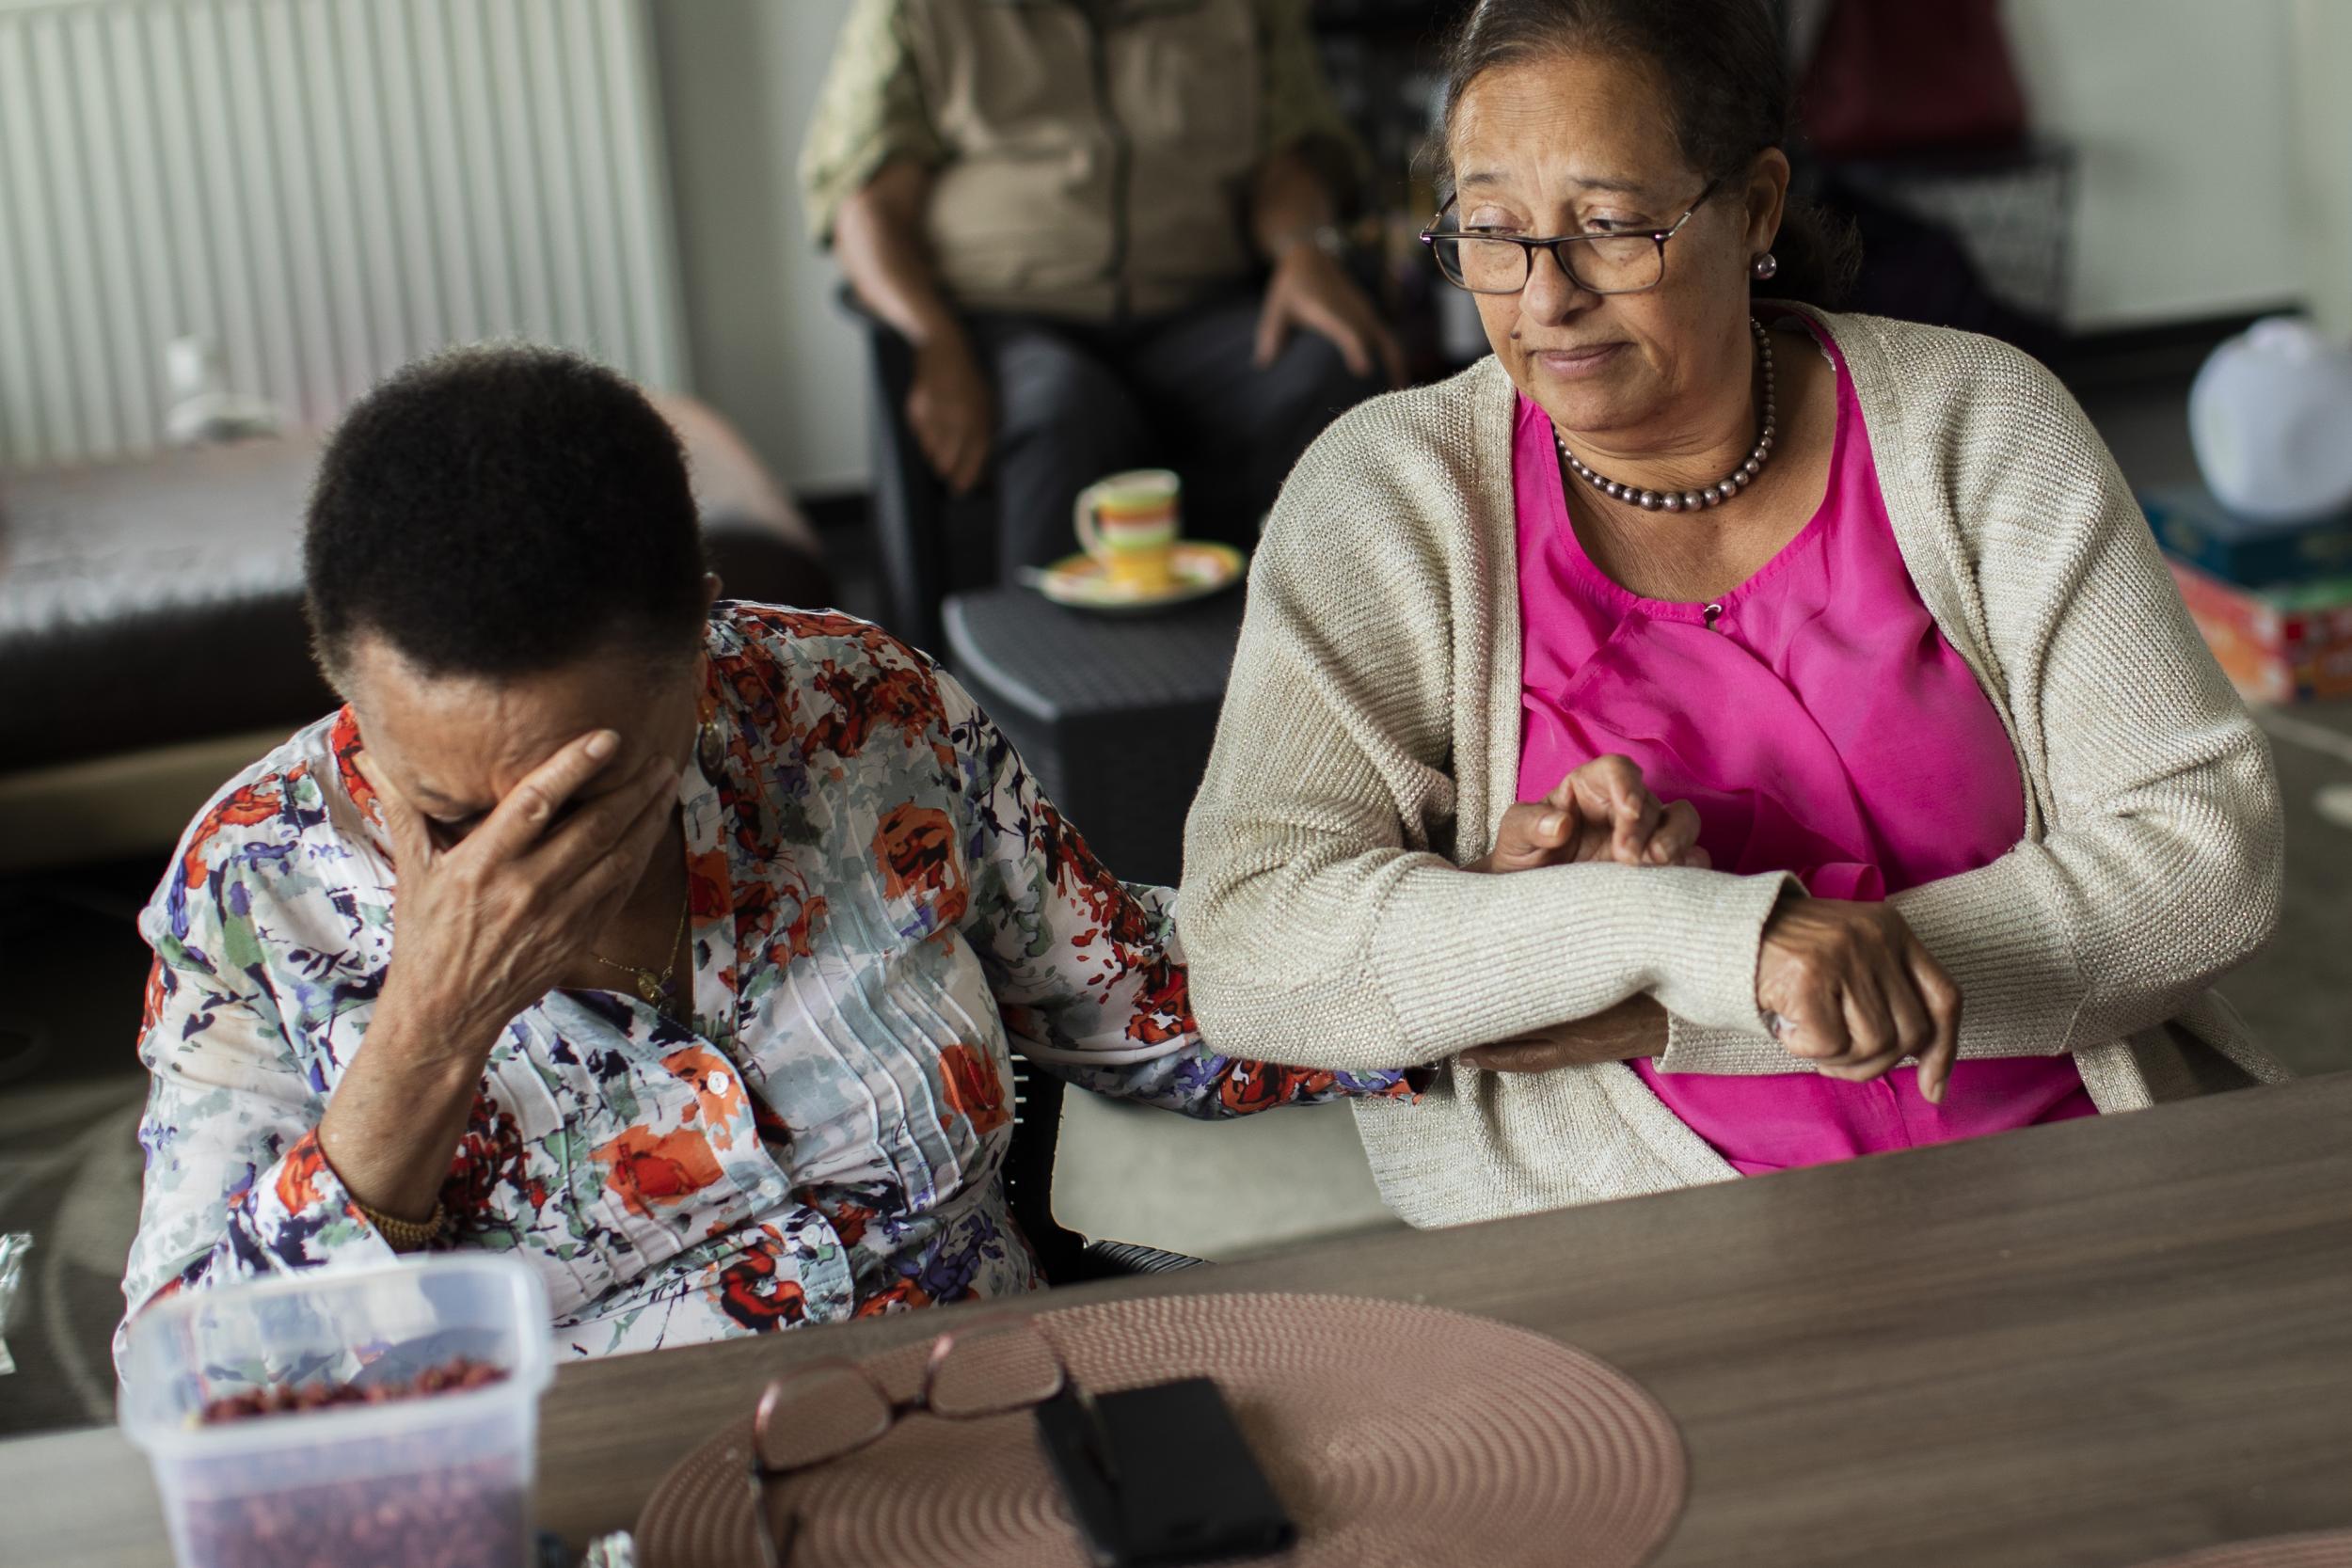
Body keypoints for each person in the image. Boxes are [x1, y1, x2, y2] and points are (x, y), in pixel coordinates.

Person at [1176, 0, 2288, 1228]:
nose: (1543, 298)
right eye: (1490, 230)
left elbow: (2207, 852)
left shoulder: (1979, 426)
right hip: (1651, 1233)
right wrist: (1680, 931)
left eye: (1609, 227)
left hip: (2074, 1177)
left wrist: (1715, 993)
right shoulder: (1391, 497)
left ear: (1755, 208)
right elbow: (1249, 937)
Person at [117, 346, 1411, 1365]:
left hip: (988, 1443)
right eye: (450, 813)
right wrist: (424, 1040)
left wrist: (1491, 946)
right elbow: (202, 1383)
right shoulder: (252, 889)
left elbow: (1150, 1000)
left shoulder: (853, 713)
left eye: (594, 784)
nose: (531, 865)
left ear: (703, 635)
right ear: (347, 690)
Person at [800, 0, 1404, 584]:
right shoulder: (914, 10)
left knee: (1334, 366)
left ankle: (1322, 656)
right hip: (1007, 319)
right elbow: (867, 207)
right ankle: (1043, 677)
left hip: (1197, 308)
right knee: (1060, 409)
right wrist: (932, 338)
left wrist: (1303, 249)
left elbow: (1291, 156)